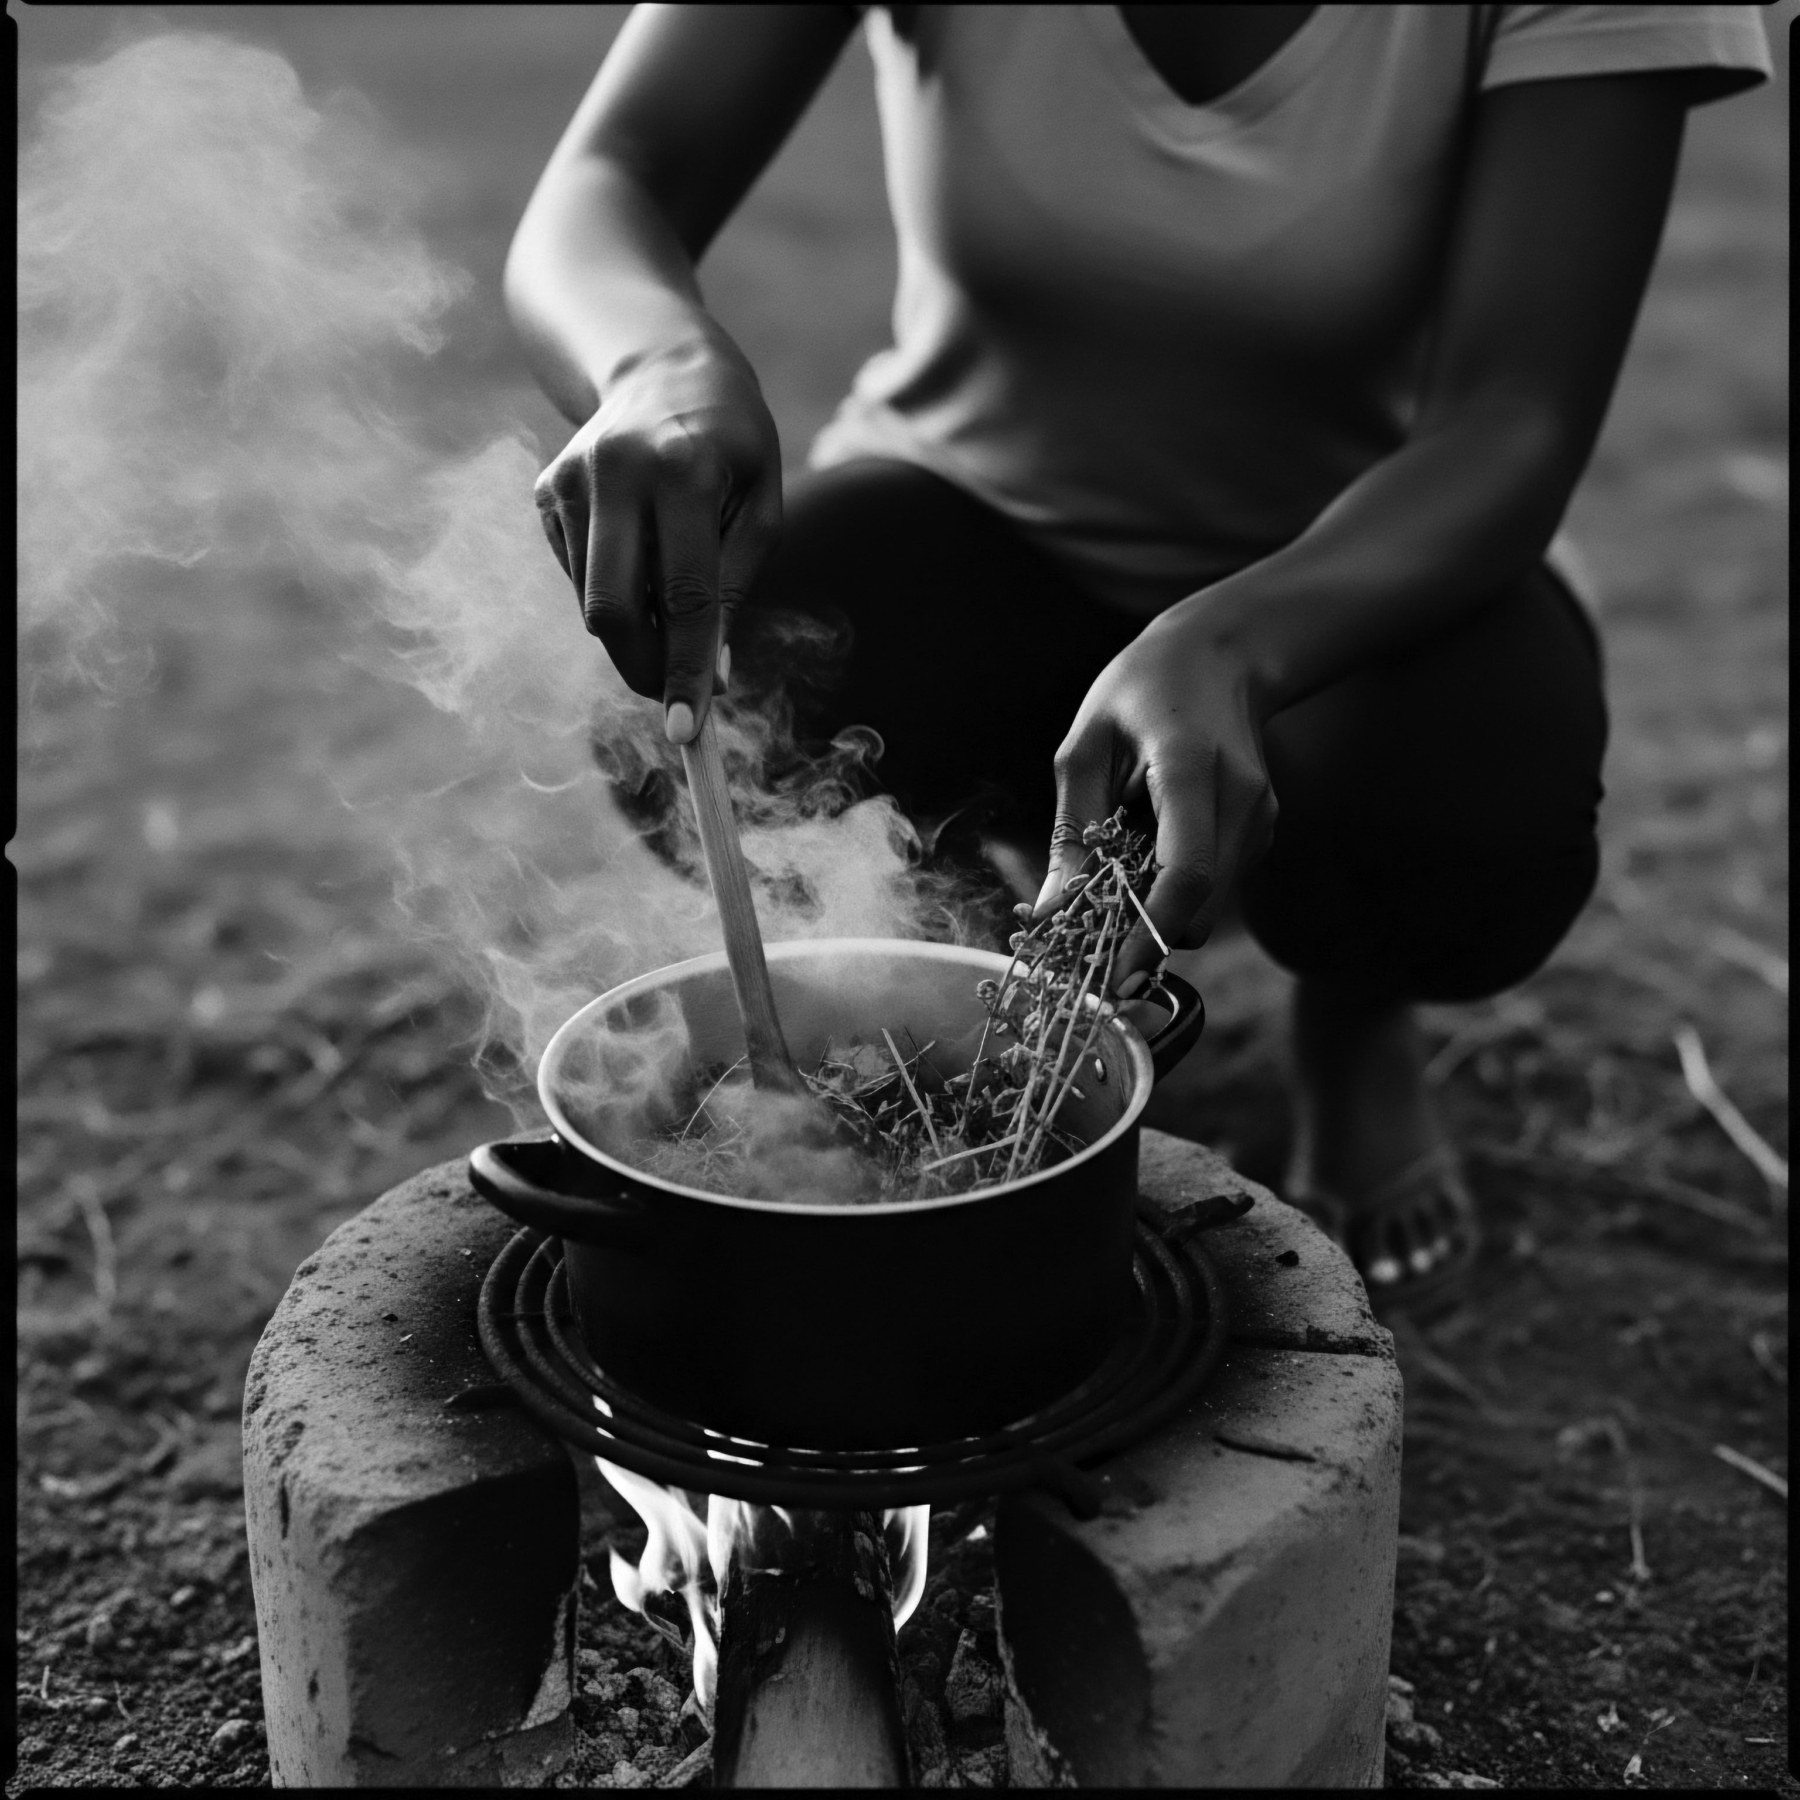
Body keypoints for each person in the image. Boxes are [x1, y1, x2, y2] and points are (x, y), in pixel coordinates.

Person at [506, 5, 1771, 1312]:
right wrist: (656, 364)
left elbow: (1510, 423)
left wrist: (1230, 637)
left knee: (1459, 809)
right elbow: (612, 179)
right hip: (980, 522)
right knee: (729, 682)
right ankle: (968, 962)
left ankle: (1355, 1007)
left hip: (1365, 590)